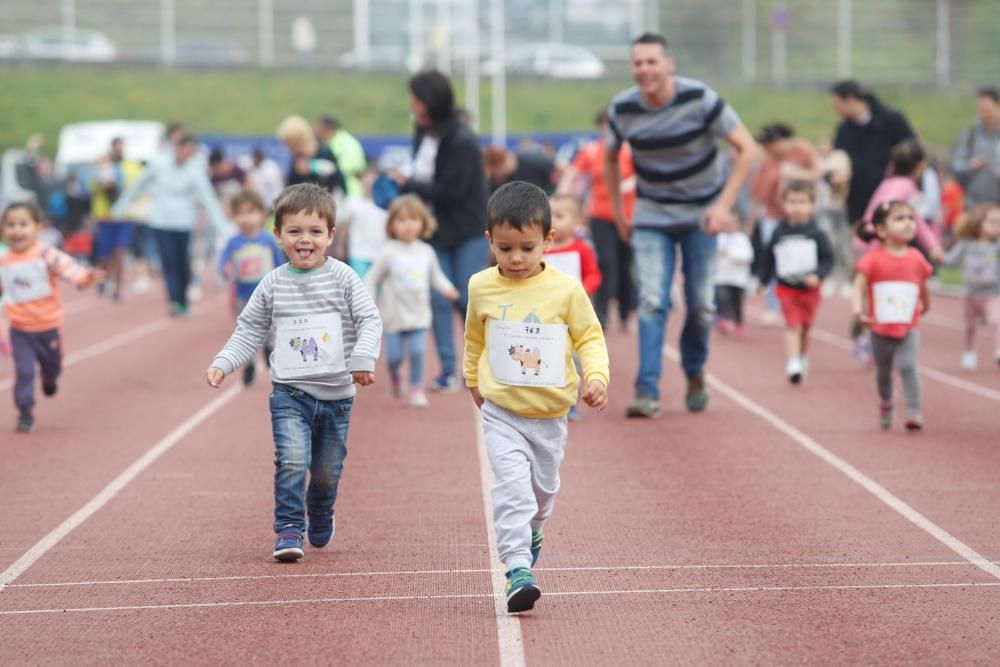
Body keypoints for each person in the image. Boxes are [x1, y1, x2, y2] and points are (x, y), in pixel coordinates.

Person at [206, 183, 382, 562]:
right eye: (295, 231)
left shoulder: (344, 278)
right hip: (290, 391)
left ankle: (320, 509)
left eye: (316, 232)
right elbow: (249, 327)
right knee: (291, 461)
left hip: (336, 396)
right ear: (278, 235)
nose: (306, 240)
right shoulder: (273, 283)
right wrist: (224, 362)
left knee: (325, 472)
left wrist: (363, 359)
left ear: (330, 236)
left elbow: (369, 319)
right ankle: (289, 528)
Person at [464, 181, 609, 613]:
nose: (515, 258)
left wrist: (596, 376)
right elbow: (474, 338)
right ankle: (516, 569)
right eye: (505, 248)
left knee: (542, 497)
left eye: (526, 248)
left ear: (548, 240)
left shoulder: (565, 290)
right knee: (513, 492)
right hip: (502, 412)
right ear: (490, 240)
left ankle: (533, 533)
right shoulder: (481, 286)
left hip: (550, 416)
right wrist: (473, 380)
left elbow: (590, 337)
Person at [604, 33, 759, 418]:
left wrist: (723, 206)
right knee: (652, 300)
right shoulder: (623, 108)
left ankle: (693, 370)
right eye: (637, 63)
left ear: (669, 64)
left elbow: (749, 148)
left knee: (702, 305)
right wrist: (621, 214)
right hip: (652, 214)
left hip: (701, 215)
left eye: (651, 62)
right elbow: (609, 158)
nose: (644, 70)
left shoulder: (700, 98)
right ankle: (648, 390)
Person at [390, 69, 490, 393]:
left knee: (468, 296)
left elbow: (452, 190)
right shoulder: (422, 130)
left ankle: (478, 366)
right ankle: (448, 370)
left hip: (466, 227)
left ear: (430, 101)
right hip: (434, 230)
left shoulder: (461, 139)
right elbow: (423, 170)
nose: (411, 103)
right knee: (437, 297)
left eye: (416, 98)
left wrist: (408, 184)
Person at [0, 202, 103, 433]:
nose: (17, 230)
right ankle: (25, 410)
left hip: (48, 325)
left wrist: (84, 277)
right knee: (24, 371)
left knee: (53, 366)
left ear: (37, 228)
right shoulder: (4, 260)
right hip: (19, 328)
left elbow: (67, 267)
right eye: (11, 225)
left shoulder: (44, 253)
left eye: (23, 224)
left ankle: (49, 378)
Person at [112, 134, 230, 316]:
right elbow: (138, 184)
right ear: (178, 148)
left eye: (191, 153)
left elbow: (208, 198)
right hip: (161, 220)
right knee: (168, 261)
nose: (187, 155)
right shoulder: (159, 164)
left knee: (182, 261)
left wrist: (223, 226)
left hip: (184, 222)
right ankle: (174, 300)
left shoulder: (194, 169)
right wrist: (120, 206)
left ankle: (182, 298)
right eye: (185, 150)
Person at [365, 195, 459, 408]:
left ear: (423, 222)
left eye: (413, 219)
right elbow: (372, 278)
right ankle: (396, 376)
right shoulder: (388, 252)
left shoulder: (426, 251)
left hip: (418, 315)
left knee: (417, 352)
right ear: (392, 225)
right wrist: (368, 300)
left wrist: (447, 288)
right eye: (402, 220)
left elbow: (436, 276)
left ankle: (416, 388)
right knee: (393, 357)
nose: (408, 226)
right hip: (393, 316)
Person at [853, 200, 932, 431]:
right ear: (881, 230)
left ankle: (913, 410)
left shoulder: (917, 257)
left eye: (911, 218)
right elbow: (858, 286)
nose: (908, 223)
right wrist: (858, 310)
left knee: (908, 366)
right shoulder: (872, 259)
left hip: (909, 325)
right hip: (880, 328)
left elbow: (923, 285)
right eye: (900, 219)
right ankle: (886, 401)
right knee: (884, 371)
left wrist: (926, 304)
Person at [557, 109, 636, 330]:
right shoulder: (591, 151)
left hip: (628, 216)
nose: (607, 130)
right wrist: (560, 198)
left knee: (625, 264)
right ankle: (602, 314)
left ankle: (625, 313)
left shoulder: (630, 151)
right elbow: (572, 174)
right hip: (599, 215)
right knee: (606, 262)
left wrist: (630, 186)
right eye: (603, 125)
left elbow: (643, 176)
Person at [757, 181, 834, 384]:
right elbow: (768, 258)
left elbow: (828, 259)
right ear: (783, 204)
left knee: (806, 327)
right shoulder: (778, 232)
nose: (797, 207)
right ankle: (792, 362)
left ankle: (802, 356)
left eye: (802, 202)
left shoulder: (817, 233)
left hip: (810, 290)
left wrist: (818, 275)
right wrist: (763, 280)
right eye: (791, 202)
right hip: (786, 287)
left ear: (811, 206)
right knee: (793, 324)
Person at [542, 193, 602, 422]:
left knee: (573, 360)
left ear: (577, 222)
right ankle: (550, 398)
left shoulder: (581, 249)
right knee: (548, 357)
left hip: (574, 318)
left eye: (560, 216)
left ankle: (571, 402)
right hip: (548, 316)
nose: (553, 220)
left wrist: (583, 291)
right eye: (549, 215)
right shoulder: (541, 249)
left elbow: (594, 275)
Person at [217, 189, 285, 386]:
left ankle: (269, 346)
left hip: (267, 294)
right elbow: (222, 262)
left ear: (262, 214)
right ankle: (249, 363)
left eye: (251, 212)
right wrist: (224, 269)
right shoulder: (233, 242)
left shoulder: (268, 240)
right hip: (243, 295)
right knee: (246, 331)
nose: (245, 218)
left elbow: (279, 263)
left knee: (271, 326)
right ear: (233, 216)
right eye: (240, 213)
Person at [831, 80, 916, 225]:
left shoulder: (892, 121)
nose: (835, 110)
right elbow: (838, 160)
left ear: (850, 99)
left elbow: (912, 152)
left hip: (892, 198)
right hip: (858, 202)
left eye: (837, 104)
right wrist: (835, 177)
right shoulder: (843, 131)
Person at [942, 205, 1000, 370]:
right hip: (971, 294)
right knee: (970, 326)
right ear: (979, 222)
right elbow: (950, 259)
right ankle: (969, 350)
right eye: (993, 222)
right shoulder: (966, 245)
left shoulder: (997, 246)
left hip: (993, 293)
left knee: (996, 321)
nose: (997, 226)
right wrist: (939, 256)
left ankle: (998, 350)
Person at [90, 137, 143, 302]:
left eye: (121, 147)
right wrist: (101, 181)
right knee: (105, 255)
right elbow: (89, 187)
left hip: (124, 217)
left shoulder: (131, 166)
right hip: (105, 217)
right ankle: (103, 281)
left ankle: (118, 289)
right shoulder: (101, 165)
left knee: (120, 253)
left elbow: (138, 187)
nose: (119, 150)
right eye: (116, 147)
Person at [815, 138, 854, 298]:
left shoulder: (840, 158)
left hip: (842, 208)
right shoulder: (819, 161)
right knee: (828, 243)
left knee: (845, 246)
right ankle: (830, 278)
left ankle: (848, 281)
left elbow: (843, 177)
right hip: (824, 208)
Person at [950, 87, 1000, 210]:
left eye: (987, 110)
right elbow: (955, 166)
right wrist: (971, 165)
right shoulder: (970, 133)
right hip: (974, 207)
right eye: (980, 111)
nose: (984, 115)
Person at [337, 165, 387, 278]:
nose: (369, 182)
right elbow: (345, 227)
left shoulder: (385, 205)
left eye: (373, 178)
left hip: (380, 254)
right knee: (361, 287)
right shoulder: (352, 202)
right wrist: (340, 247)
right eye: (366, 178)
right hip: (357, 253)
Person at [277, 115, 345, 195]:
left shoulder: (324, 151)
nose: (288, 149)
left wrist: (311, 166)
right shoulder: (296, 158)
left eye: (290, 144)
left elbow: (335, 173)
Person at [713, 216, 754, 338]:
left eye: (733, 223)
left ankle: (739, 323)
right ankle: (723, 319)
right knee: (721, 297)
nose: (729, 226)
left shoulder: (742, 239)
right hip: (721, 277)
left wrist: (729, 252)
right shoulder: (718, 238)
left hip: (738, 279)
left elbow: (748, 256)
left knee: (737, 303)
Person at [315, 115, 367, 198]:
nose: (316, 133)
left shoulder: (347, 143)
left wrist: (316, 166)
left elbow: (344, 169)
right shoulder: (333, 142)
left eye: (319, 130)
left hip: (349, 193)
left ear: (328, 129)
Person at [483, 145, 557, 195]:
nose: (490, 175)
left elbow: (563, 169)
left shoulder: (531, 159)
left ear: (499, 165)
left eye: (493, 172)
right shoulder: (493, 181)